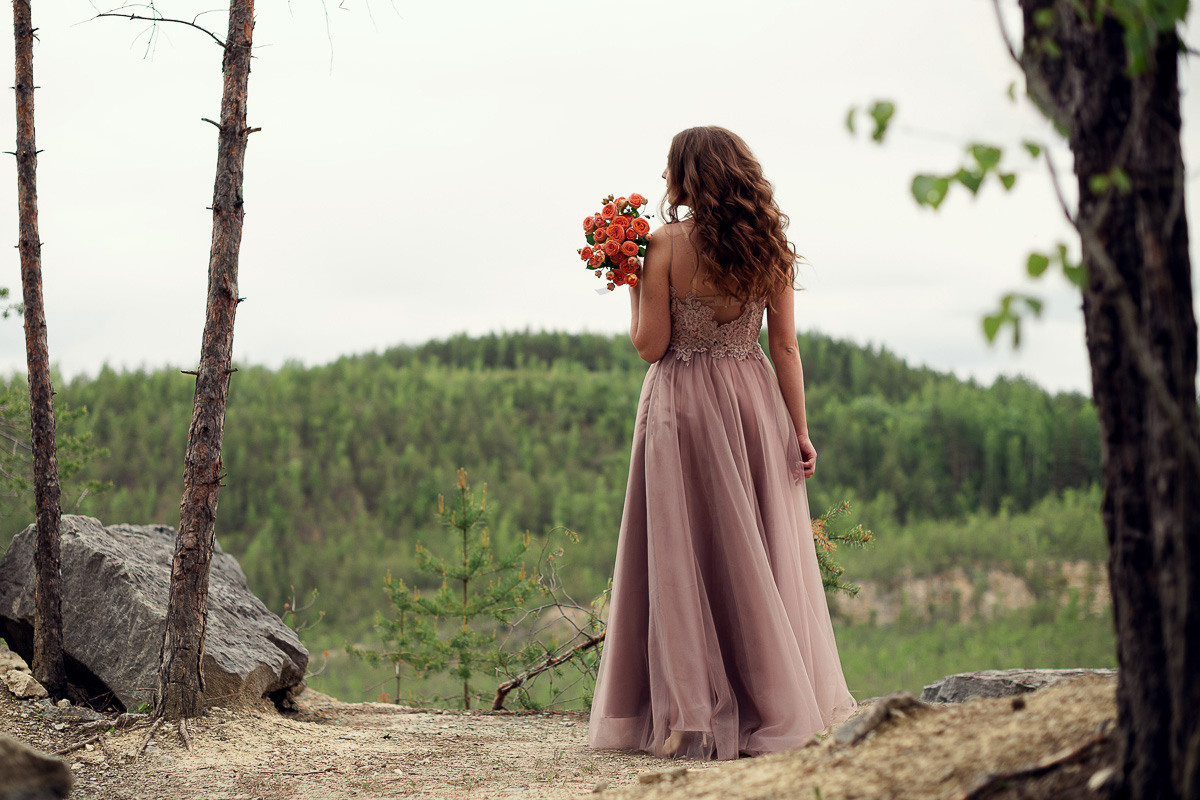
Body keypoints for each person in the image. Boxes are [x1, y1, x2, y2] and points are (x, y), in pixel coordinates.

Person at [587, 126, 856, 761]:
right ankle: (771, 704)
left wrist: (631, 282)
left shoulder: (662, 245)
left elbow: (652, 346)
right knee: (753, 552)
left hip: (679, 404)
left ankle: (691, 716)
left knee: (683, 549)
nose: (663, 182)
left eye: (670, 169)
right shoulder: (771, 247)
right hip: (751, 403)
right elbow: (785, 346)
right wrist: (799, 429)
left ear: (690, 174)